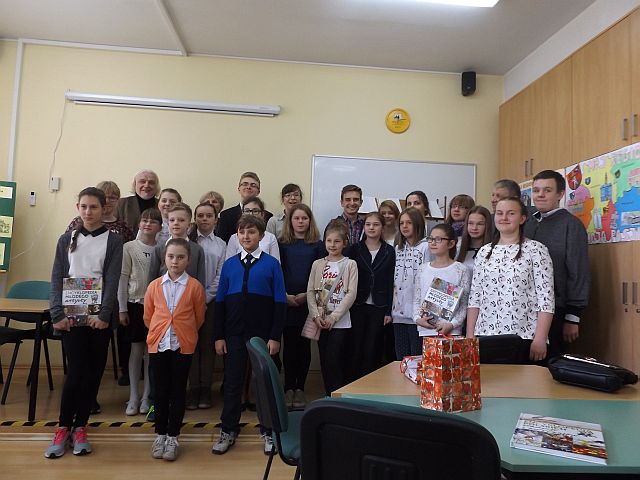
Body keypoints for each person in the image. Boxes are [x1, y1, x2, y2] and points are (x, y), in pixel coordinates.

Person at [45, 187, 123, 459]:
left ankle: (81, 427)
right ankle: (63, 426)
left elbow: (112, 279)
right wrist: (57, 314)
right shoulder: (66, 239)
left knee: (93, 373)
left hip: (98, 318)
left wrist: (104, 315)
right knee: (76, 371)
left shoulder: (113, 240)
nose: (88, 212)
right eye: (84, 206)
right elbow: (57, 276)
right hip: (71, 317)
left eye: (94, 207)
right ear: (77, 207)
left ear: (104, 209)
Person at [212, 215, 286, 456]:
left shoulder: (272, 265)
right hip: (233, 334)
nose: (246, 236)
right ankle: (228, 429)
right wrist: (219, 336)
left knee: (263, 384)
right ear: (237, 235)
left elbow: (280, 303)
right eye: (242, 232)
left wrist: (275, 336)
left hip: (262, 336)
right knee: (232, 382)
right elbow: (220, 303)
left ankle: (269, 431)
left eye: (252, 232)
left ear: (261, 236)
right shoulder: (230, 265)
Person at [466, 197, 555, 364]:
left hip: (524, 336)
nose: (504, 218)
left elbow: (546, 299)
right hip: (485, 335)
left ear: (522, 218)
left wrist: (540, 338)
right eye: (499, 213)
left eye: (511, 213)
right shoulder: (484, 252)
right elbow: (475, 298)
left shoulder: (536, 250)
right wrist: (470, 337)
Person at [67, 180, 134, 391]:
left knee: (96, 355)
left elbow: (117, 271)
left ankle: (89, 400)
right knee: (78, 358)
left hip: (105, 295)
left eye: (113, 197)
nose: (89, 211)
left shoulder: (118, 233)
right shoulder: (73, 230)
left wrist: (106, 309)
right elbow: (66, 264)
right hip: (76, 295)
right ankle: (75, 403)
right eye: (85, 206)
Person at [145, 238, 206, 461]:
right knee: (160, 391)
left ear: (188, 260)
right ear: (164, 258)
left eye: (180, 257)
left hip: (182, 345)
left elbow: (198, 317)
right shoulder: (154, 286)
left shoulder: (195, 287)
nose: (175, 261)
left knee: (178, 390)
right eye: (171, 257)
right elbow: (148, 316)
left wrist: (184, 332)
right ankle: (160, 434)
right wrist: (160, 331)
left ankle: (173, 436)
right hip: (159, 345)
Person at [524, 169, 590, 359]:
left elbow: (578, 272)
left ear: (560, 194)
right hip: (524, 308)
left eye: (547, 190)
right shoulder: (527, 222)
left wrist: (573, 317)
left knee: (547, 363)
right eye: (536, 190)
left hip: (555, 309)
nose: (540, 195)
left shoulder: (571, 225)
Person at [278, 204, 326, 408]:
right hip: (287, 301)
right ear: (290, 221)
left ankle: (300, 388)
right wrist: (285, 295)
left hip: (309, 302)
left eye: (304, 218)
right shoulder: (282, 244)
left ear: (309, 221)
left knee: (304, 347)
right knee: (289, 347)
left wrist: (307, 296)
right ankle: (289, 387)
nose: (300, 222)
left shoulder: (318, 245)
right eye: (296, 218)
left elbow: (322, 275)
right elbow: (277, 271)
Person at [118, 208, 163, 416]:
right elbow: (123, 279)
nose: (148, 224)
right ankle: (133, 396)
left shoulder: (162, 248)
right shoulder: (129, 247)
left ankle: (147, 397)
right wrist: (122, 308)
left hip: (156, 307)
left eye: (153, 222)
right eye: (144, 221)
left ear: (160, 227)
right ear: (139, 224)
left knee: (151, 353)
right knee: (136, 350)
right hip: (134, 305)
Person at [307, 220, 358, 396]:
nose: (332, 245)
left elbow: (351, 293)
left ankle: (338, 397)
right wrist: (315, 315)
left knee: (335, 360)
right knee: (324, 360)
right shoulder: (317, 264)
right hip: (320, 320)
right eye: (329, 241)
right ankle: (329, 395)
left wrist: (334, 317)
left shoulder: (350, 264)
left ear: (344, 243)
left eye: (337, 241)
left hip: (340, 321)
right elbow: (310, 291)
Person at [185, 202, 226, 410]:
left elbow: (221, 274)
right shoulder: (187, 242)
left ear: (216, 220)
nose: (204, 219)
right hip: (186, 302)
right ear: (195, 218)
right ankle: (193, 389)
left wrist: (206, 297)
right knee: (191, 345)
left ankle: (205, 389)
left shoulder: (221, 245)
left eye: (209, 215)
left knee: (207, 346)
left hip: (211, 302)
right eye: (200, 215)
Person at [348, 212, 395, 380]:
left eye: (376, 224)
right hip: (357, 304)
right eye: (368, 224)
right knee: (356, 346)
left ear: (382, 227)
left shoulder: (389, 251)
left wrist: (388, 311)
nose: (371, 228)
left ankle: (369, 383)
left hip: (379, 306)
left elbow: (390, 281)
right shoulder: (355, 249)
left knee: (373, 347)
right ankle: (353, 383)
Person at [413, 223, 470, 338]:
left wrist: (452, 324)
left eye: (438, 239)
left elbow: (464, 304)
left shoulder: (461, 270)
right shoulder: (422, 269)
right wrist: (418, 319)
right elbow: (416, 299)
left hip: (452, 332)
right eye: (430, 239)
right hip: (426, 331)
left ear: (451, 243)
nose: (433, 243)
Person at [392, 207, 429, 359]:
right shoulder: (398, 248)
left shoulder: (426, 247)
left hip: (418, 315)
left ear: (418, 224)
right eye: (402, 223)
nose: (405, 226)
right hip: (398, 313)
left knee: (417, 357)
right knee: (402, 358)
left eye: (409, 223)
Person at [216, 172, 273, 243]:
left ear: (258, 191)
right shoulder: (226, 215)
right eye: (245, 184)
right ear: (239, 189)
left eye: (253, 185)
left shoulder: (268, 216)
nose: (248, 187)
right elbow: (222, 242)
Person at [225, 197, 280, 262]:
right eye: (247, 211)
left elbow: (275, 263)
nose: (251, 214)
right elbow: (229, 262)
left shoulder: (270, 238)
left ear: (262, 214)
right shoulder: (234, 238)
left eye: (255, 211)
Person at [117, 169, 160, 236]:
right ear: (135, 185)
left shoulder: (162, 205)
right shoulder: (121, 204)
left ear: (156, 186)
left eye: (151, 182)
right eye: (142, 181)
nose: (146, 185)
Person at [456, 205, 494, 276]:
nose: (474, 228)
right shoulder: (458, 247)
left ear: (487, 226)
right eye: (471, 223)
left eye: (480, 224)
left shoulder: (494, 250)